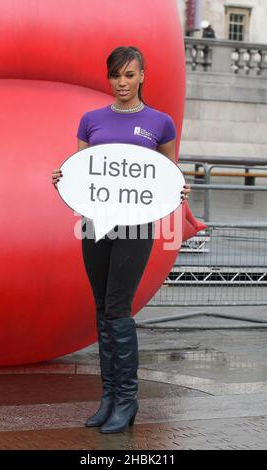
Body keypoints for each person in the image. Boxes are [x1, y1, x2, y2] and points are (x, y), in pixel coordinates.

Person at [52, 46, 191, 434]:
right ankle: (109, 397)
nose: (122, 83)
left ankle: (127, 400)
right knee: (102, 309)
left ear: (142, 75)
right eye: (116, 76)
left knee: (117, 310)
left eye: (129, 75)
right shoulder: (90, 120)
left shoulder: (160, 123)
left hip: (136, 226)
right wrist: (62, 179)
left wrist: (177, 192)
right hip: (95, 224)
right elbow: (80, 172)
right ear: (109, 78)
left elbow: (166, 176)